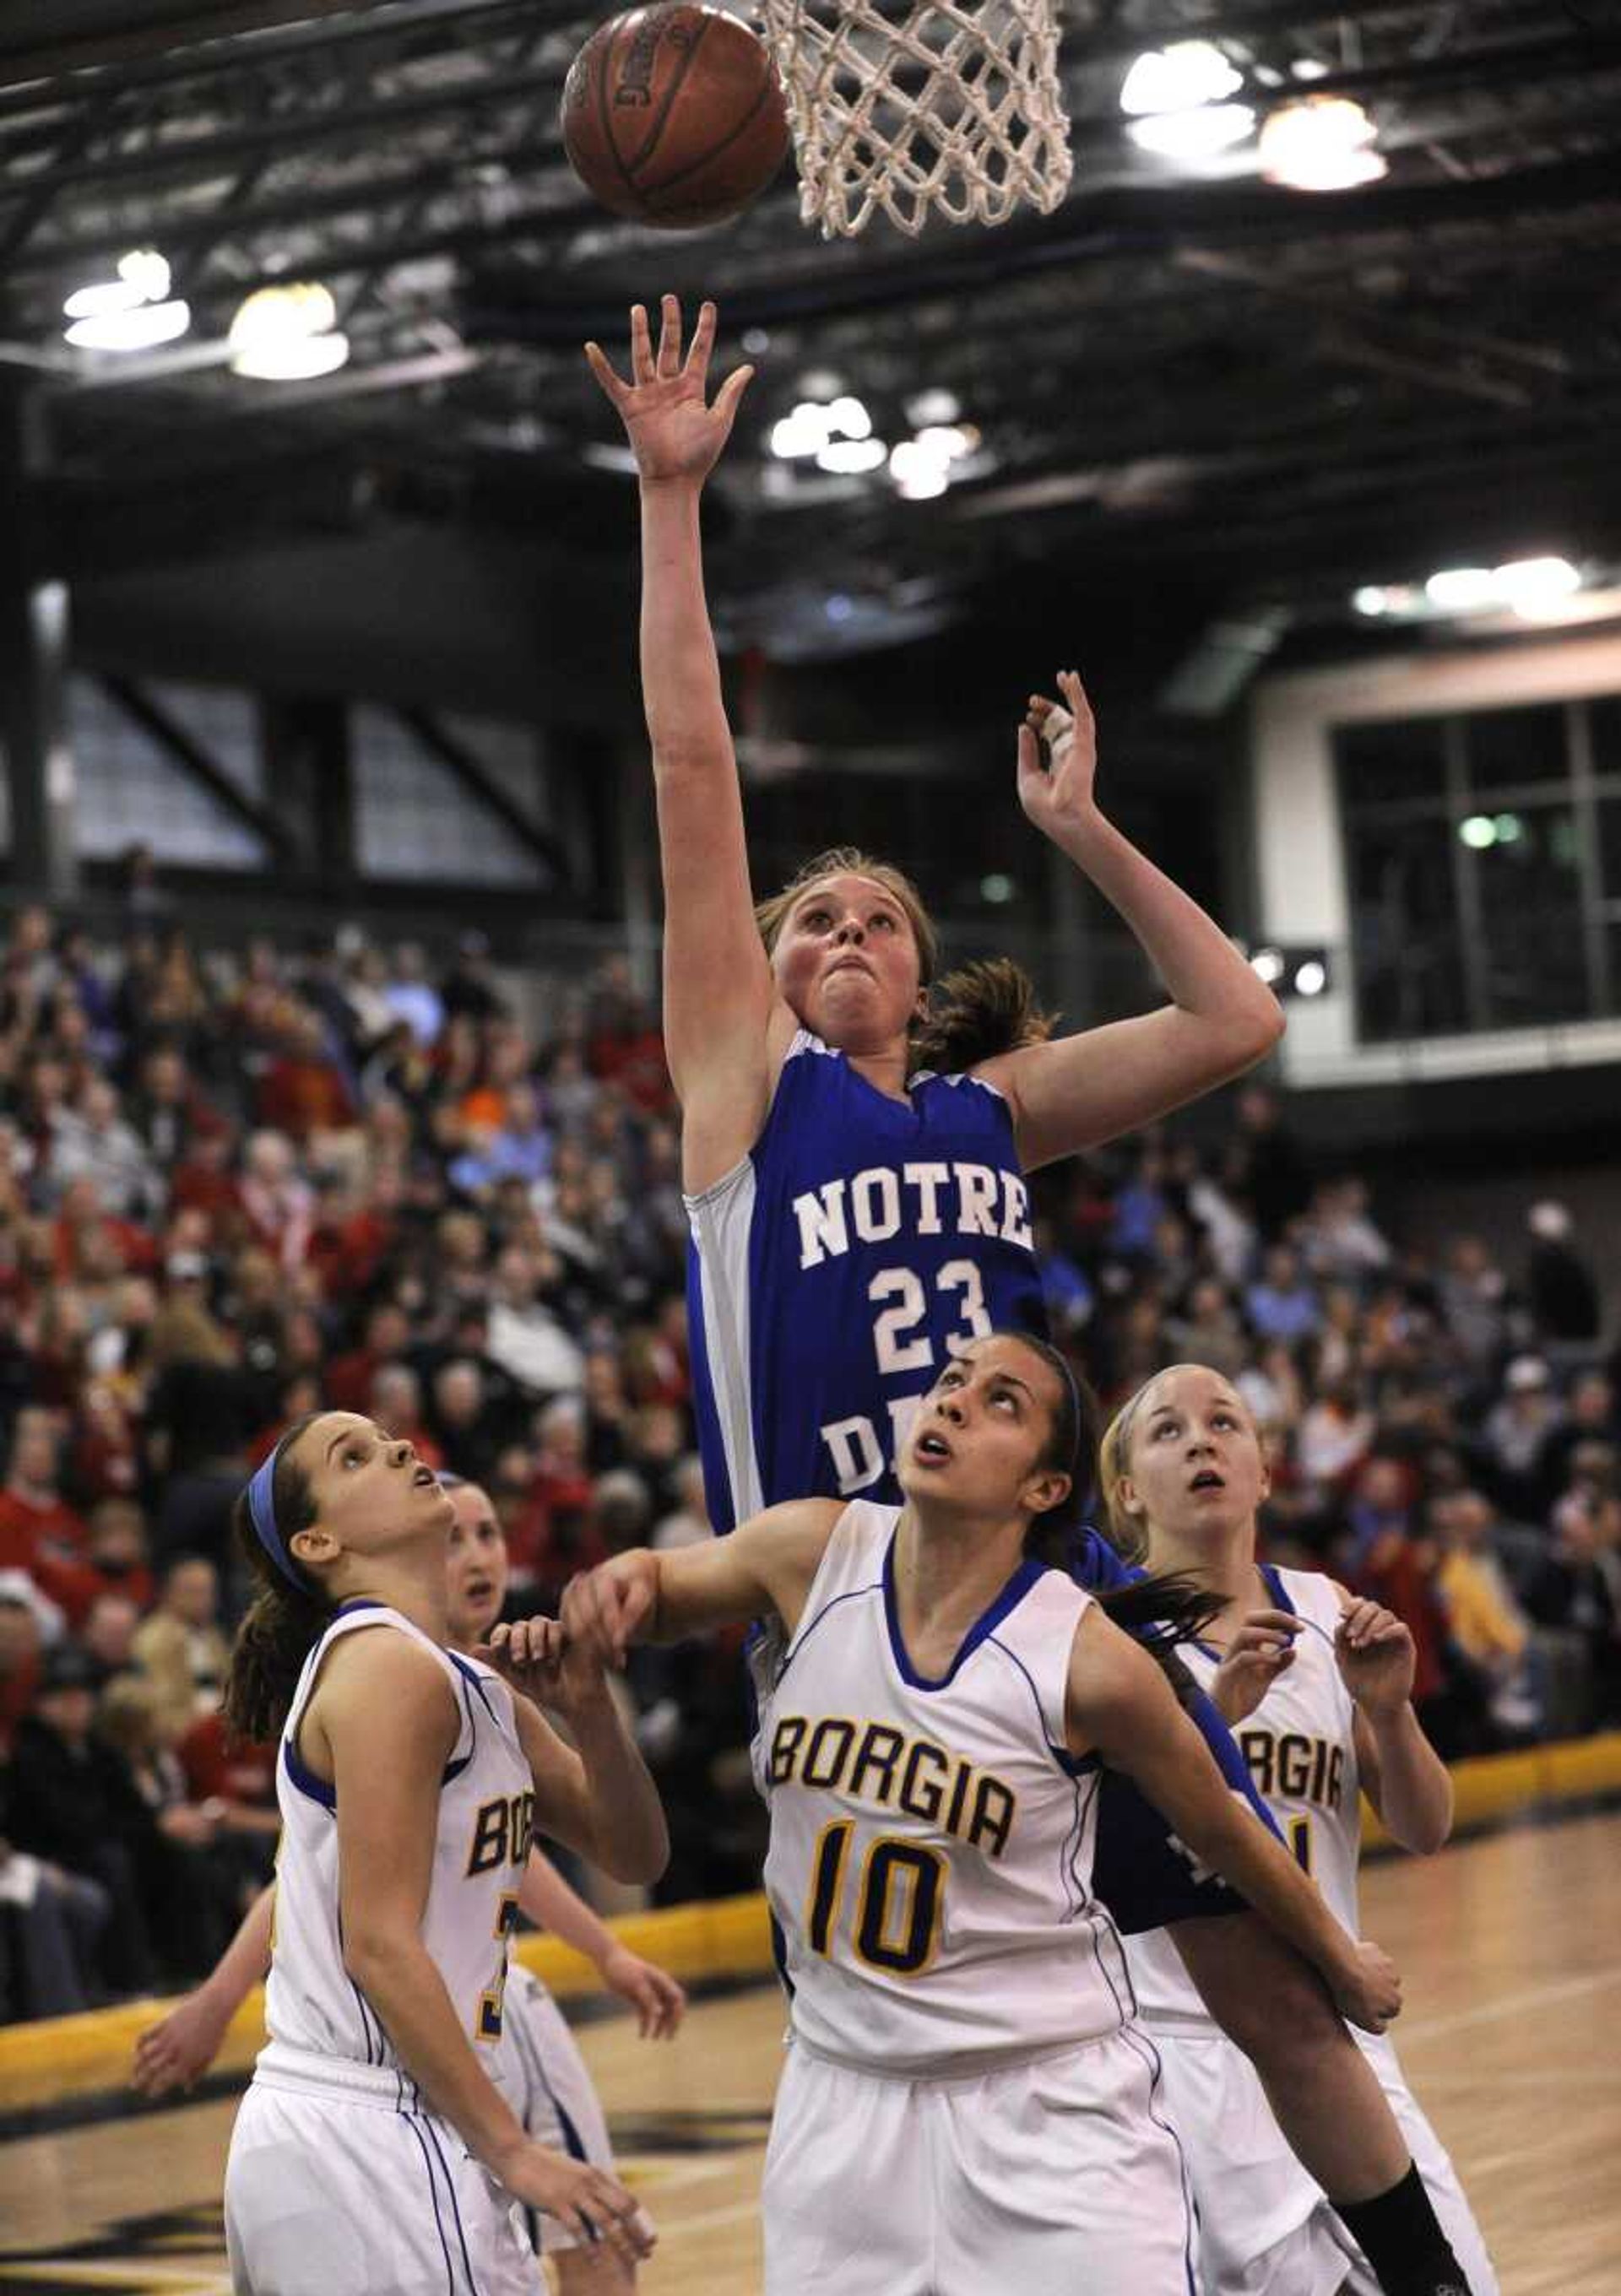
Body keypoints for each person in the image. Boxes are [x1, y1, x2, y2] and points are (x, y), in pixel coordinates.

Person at [587, 295, 1472, 2296]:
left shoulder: (995, 1109)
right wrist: (670, 501)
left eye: (872, 914)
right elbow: (687, 755)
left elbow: (1237, 1015)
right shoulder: (745, 1096)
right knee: (920, 2033)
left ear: (916, 972)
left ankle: (1406, 2273)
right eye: (806, 912)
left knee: (1259, 1978)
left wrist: (1079, 828)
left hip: (1039, 1587)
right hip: (839, 1600)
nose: (830, 929)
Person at [541, 1333, 1401, 2294]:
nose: (951, 1401)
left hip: (1046, 2101)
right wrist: (626, 1582)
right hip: (843, 2105)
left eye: (1001, 1402)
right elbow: (665, 1586)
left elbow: (1224, 1825)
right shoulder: (813, 1550)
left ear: (1044, 1487)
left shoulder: (1086, 1654)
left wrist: (1336, 1951)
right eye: (951, 1381)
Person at [138, 1471, 685, 2291]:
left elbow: (635, 1853)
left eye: (489, 1529)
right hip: (380, 2118)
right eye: (353, 1454)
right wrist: (514, 2150)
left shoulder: (472, 1687)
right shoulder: (387, 1665)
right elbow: (375, 1939)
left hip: (358, 2117)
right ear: (321, 1543)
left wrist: (591, 1708)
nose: (394, 1447)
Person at [1106, 1361, 1499, 2296]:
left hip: (1342, 2033)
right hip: (1188, 2052)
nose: (1201, 1440)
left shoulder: (1326, 1610)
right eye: (1167, 1429)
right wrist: (1214, 1712)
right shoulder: (1106, 1640)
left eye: (1225, 1421)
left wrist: (1393, 1713)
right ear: (1125, 1489)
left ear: (1266, 1469)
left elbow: (1424, 1825)